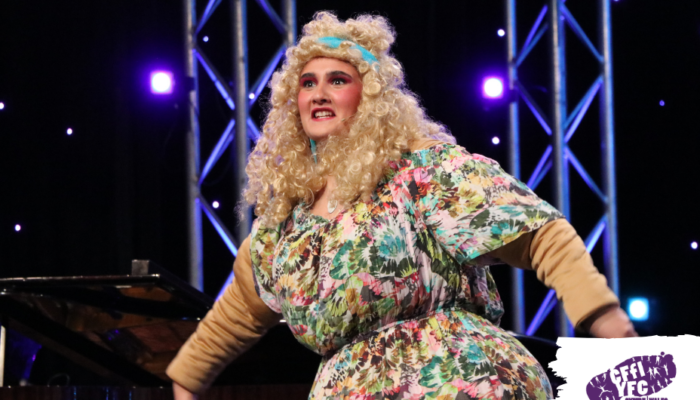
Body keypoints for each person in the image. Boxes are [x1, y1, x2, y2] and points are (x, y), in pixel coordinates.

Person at [167, 12, 637, 400]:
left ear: (369, 97)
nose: (319, 93)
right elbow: (235, 315)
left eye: (337, 80)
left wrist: (602, 315)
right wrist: (186, 380)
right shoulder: (281, 233)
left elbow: (539, 235)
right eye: (308, 83)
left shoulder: (418, 175)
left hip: (456, 380)